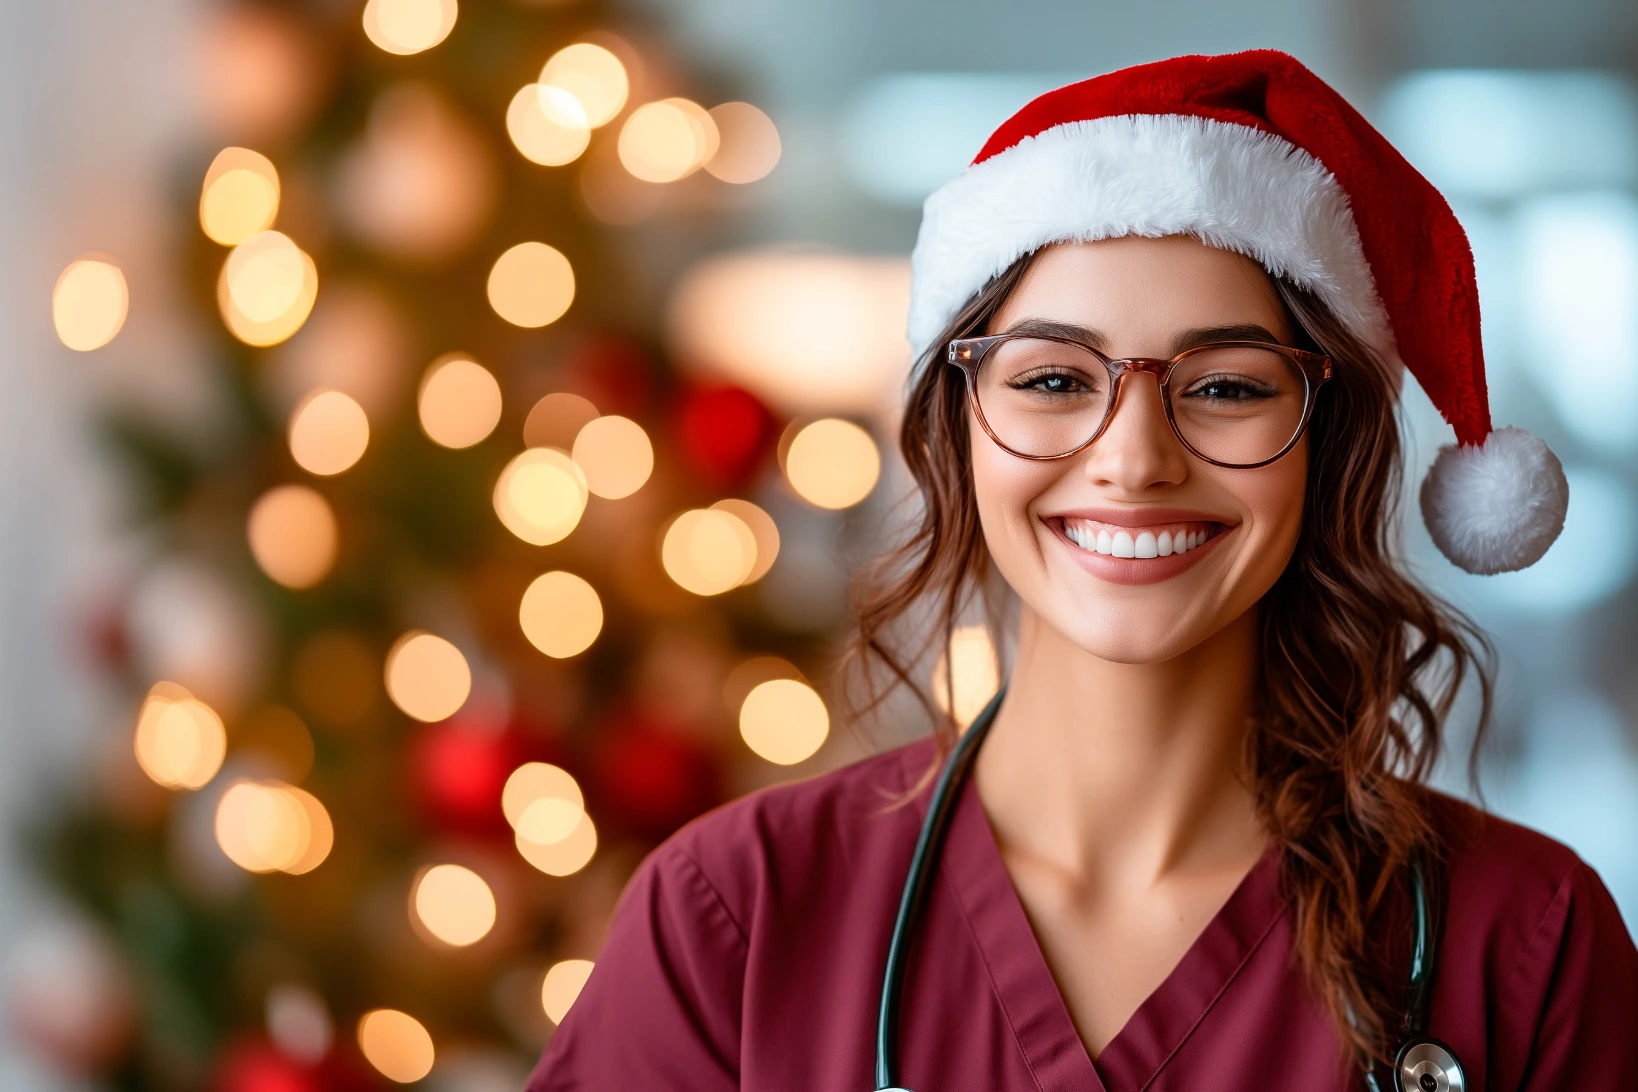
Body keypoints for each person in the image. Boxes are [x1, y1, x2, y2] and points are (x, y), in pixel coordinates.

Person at [529, 50, 1638, 1091]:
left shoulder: (1527, 942)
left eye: (1228, 386)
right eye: (1055, 380)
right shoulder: (731, 916)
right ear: (957, 431)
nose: (1134, 460)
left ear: (1325, 442)